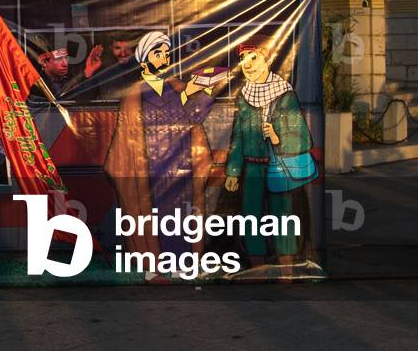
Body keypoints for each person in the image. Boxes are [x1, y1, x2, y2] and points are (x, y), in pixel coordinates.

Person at [104, 30, 220, 259]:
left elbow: (195, 115)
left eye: (167, 53)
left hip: (182, 165)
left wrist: (207, 91)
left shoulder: (177, 87)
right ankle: (156, 263)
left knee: (183, 215)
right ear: (145, 57)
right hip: (151, 168)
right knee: (154, 217)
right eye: (159, 53)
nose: (164, 57)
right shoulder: (134, 95)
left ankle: (185, 262)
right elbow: (127, 137)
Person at [224, 36, 313, 269]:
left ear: (266, 60)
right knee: (250, 214)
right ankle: (257, 266)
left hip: (278, 166)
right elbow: (238, 136)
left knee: (282, 214)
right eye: (243, 59)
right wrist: (233, 171)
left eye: (253, 57)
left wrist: (277, 137)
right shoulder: (244, 97)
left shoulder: (284, 94)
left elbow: (302, 137)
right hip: (252, 166)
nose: (248, 64)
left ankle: (287, 265)